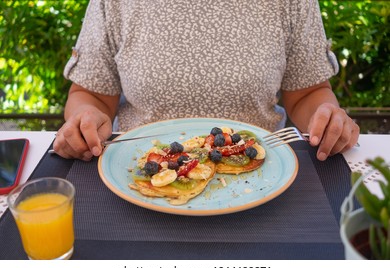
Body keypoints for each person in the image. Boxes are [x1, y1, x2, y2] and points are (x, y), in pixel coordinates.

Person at [53, 0, 359, 162]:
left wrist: (326, 118)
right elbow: (90, 94)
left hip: (259, 177)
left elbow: (308, 93)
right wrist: (85, 119)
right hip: (137, 174)